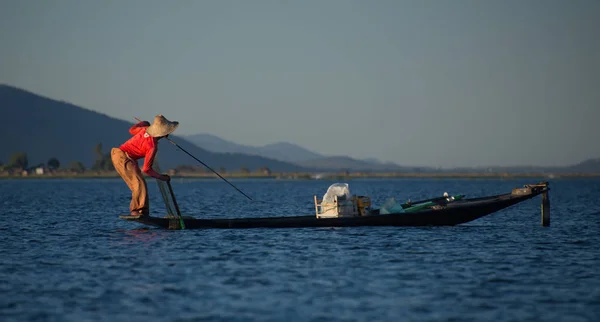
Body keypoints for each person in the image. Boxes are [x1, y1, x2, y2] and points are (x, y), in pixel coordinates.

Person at [111, 114, 179, 217]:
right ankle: (135, 210)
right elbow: (147, 169)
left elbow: (132, 130)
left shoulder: (145, 129)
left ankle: (143, 211)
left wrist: (143, 123)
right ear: (163, 134)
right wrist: (161, 177)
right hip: (122, 157)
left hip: (123, 157)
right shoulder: (152, 147)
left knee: (140, 184)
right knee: (139, 183)